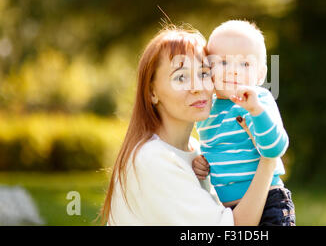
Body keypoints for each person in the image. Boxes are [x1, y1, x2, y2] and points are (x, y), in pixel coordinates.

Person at [99, 24, 277, 225]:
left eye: (203, 73)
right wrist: (269, 160)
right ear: (152, 93)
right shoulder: (153, 159)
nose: (197, 87)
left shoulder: (196, 151)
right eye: (181, 77)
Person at [192, 20, 295, 226]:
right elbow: (213, 148)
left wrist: (256, 111)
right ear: (208, 68)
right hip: (224, 210)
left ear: (260, 74)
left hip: (268, 201)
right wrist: (200, 162)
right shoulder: (205, 108)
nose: (233, 71)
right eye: (223, 62)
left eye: (245, 64)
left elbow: (276, 148)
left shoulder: (259, 100)